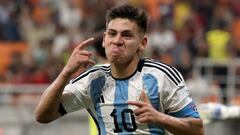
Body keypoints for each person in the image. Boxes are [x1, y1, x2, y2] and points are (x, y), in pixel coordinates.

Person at [35, 5, 204, 135]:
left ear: (142, 43)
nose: (117, 40)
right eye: (112, 34)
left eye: (127, 35)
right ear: (103, 40)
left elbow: (197, 130)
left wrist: (160, 118)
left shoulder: (161, 76)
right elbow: (43, 116)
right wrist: (65, 73)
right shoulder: (92, 80)